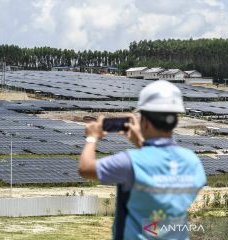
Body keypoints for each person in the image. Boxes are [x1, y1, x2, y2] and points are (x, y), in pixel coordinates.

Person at [78, 80, 206, 239]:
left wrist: (92, 137)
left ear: (144, 121)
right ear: (175, 121)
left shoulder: (129, 162)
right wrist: (142, 144)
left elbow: (85, 168)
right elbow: (164, 180)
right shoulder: (192, 162)